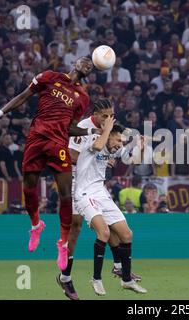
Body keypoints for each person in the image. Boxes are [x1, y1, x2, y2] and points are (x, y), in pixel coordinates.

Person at [0, 57, 95, 271]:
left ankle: (62, 243)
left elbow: (71, 127)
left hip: (58, 144)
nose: (87, 63)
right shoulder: (49, 77)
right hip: (36, 139)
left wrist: (91, 131)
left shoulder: (82, 97)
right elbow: (23, 96)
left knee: (65, 193)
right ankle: (36, 225)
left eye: (91, 64)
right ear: (74, 62)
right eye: (85, 60)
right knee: (29, 187)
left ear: (90, 72)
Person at [57, 99, 141, 300]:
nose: (108, 118)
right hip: (74, 179)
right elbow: (72, 156)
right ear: (94, 114)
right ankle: (65, 277)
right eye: (104, 115)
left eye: (111, 114)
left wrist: (108, 151)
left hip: (93, 182)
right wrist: (100, 152)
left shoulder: (109, 130)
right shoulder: (83, 127)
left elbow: (119, 151)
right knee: (75, 228)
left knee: (106, 224)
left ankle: (119, 267)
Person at [72, 119, 147, 295]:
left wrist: (141, 148)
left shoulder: (114, 147)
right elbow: (99, 147)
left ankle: (126, 279)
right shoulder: (94, 142)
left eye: (121, 142)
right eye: (118, 140)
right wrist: (107, 129)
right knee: (104, 233)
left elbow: (134, 160)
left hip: (101, 192)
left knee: (127, 234)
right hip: (84, 193)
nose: (120, 145)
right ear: (108, 136)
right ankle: (96, 279)